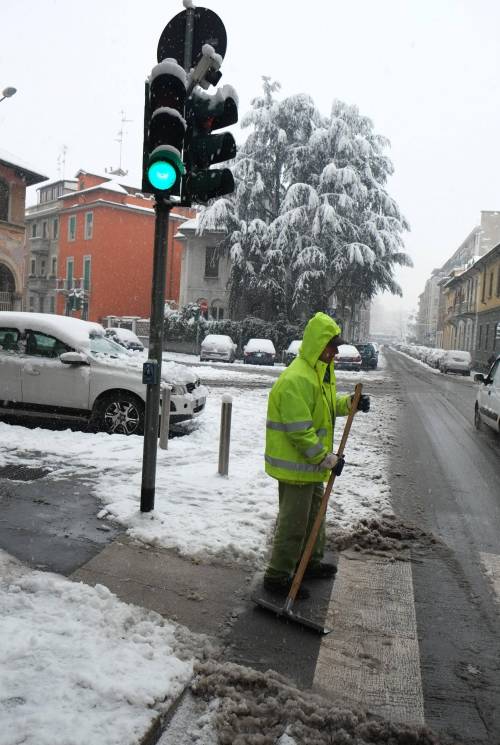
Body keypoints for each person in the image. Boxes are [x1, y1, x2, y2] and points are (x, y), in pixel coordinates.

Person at [263, 311, 370, 597]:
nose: (335, 352)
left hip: (309, 466)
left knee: (314, 519)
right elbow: (300, 431)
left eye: (337, 347)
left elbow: (325, 407)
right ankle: (277, 576)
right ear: (317, 344)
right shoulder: (297, 379)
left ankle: (308, 563)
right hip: (296, 467)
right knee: (294, 524)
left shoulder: (318, 373)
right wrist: (326, 459)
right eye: (331, 346)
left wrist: (350, 403)